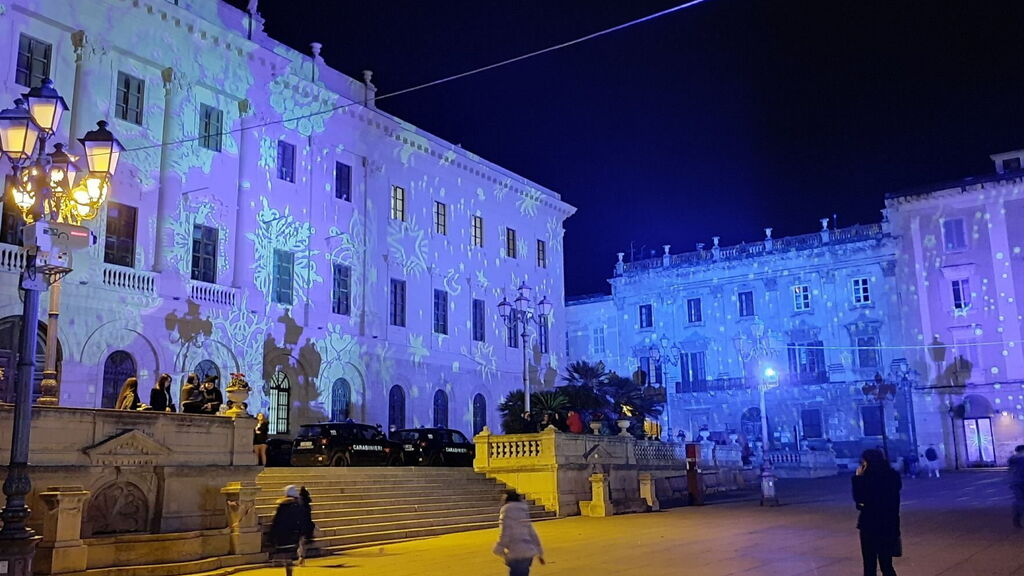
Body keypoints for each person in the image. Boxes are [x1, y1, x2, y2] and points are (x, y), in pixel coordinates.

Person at [853, 448, 902, 576]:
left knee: (869, 565)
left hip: (870, 525)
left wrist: (857, 479)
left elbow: (859, 501)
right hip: (888, 525)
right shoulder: (892, 476)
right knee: (887, 564)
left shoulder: (866, 479)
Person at [493, 490, 544, 576]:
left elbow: (505, 534)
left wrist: (499, 549)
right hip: (528, 552)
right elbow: (532, 532)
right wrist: (540, 552)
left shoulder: (506, 512)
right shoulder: (523, 511)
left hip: (515, 553)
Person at [269, 485, 313, 576]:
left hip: (283, 534)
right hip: (293, 534)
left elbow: (276, 520)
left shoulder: (282, 505)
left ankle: (288, 571)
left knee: (286, 556)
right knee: (289, 556)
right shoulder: (297, 505)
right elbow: (302, 519)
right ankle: (289, 571)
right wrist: (305, 532)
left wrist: (272, 535)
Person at [297, 486, 315, 564]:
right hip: (307, 524)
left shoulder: (300, 502)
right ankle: (302, 557)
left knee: (301, 542)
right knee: (303, 542)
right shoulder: (307, 503)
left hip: (301, 525)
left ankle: (301, 557)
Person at [1009, 445, 1024, 528]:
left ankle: (1017, 519)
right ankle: (1017, 519)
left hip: (1016, 482)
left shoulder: (1013, 459)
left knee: (1019, 501)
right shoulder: (1019, 460)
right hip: (1019, 482)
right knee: (1020, 502)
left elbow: (1011, 471)